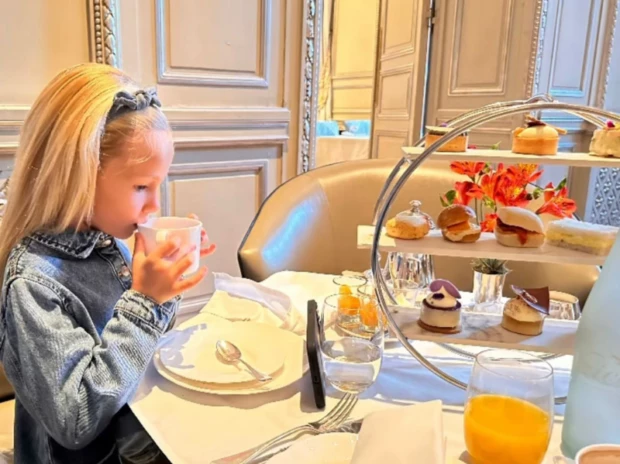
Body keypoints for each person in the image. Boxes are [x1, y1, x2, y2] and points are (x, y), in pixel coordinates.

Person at [0, 63, 215, 463]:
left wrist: (164, 285)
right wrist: (145, 303)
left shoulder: (106, 240)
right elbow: (76, 419)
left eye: (159, 184)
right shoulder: (33, 284)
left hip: (135, 440)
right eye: (141, 187)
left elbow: (140, 347)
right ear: (77, 177)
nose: (154, 206)